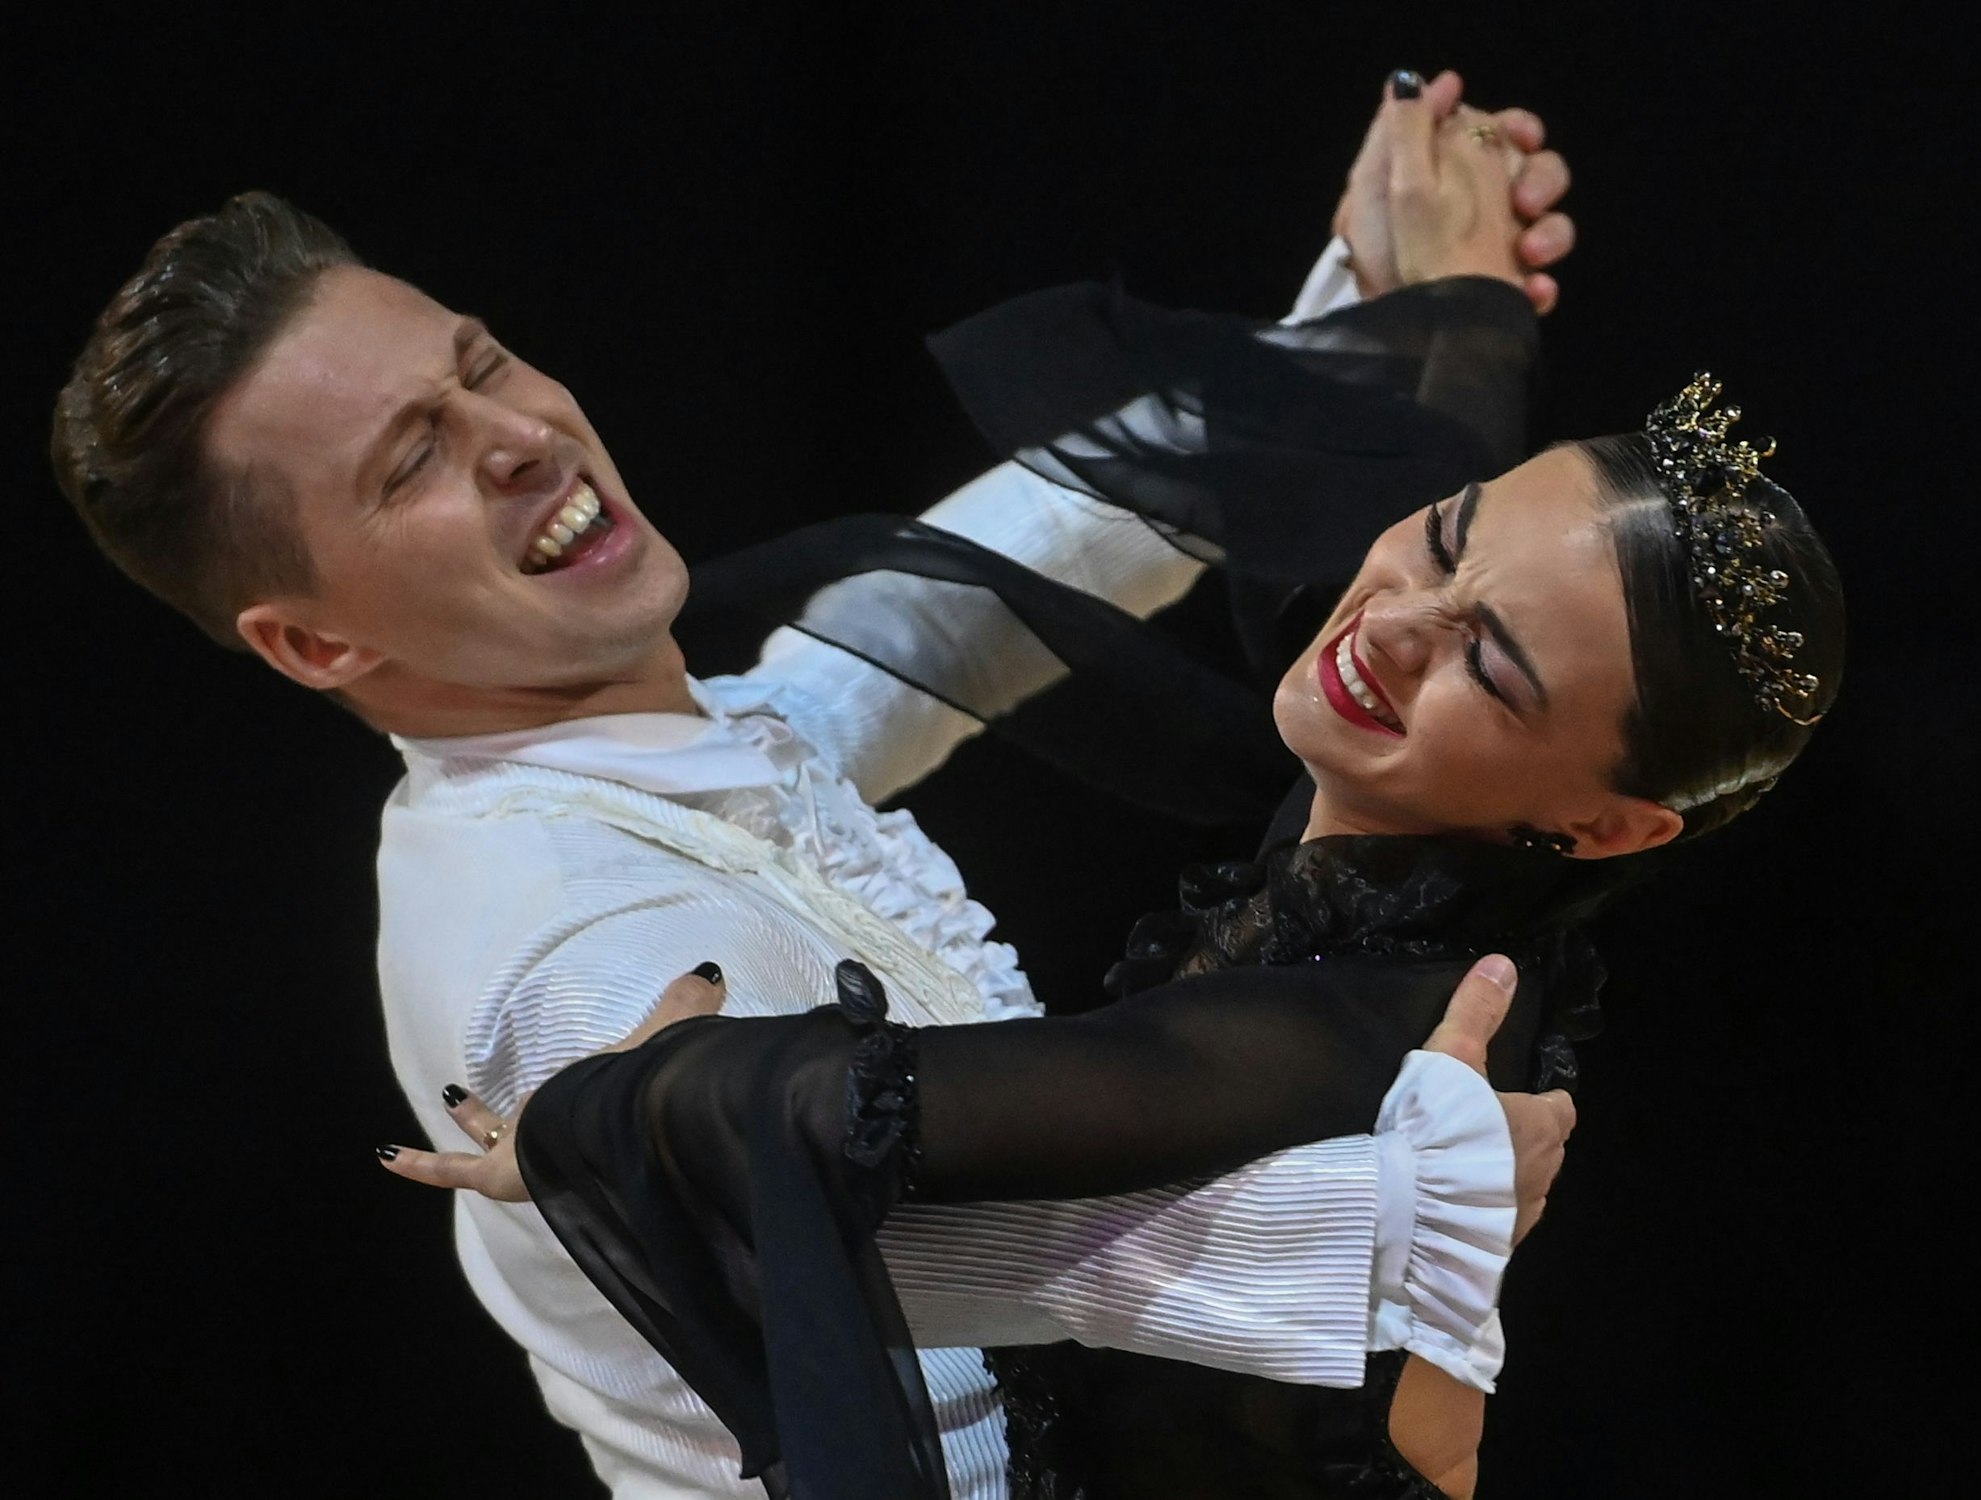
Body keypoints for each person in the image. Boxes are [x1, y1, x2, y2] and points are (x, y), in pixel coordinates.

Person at [52, 71, 1582, 1500]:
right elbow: (878, 1256)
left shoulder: (630, 756)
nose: (519, 437)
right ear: (314, 640)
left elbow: (937, 615)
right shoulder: (563, 946)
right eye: (412, 463)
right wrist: (1383, 1234)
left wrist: (1363, 327)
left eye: (481, 364)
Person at [385, 95, 1845, 1500]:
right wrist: (1434, 305)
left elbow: (864, 1119)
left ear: (1608, 825)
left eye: (1494, 663)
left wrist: (592, 1119)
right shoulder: (1423, 825)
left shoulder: (1361, 1027)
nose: (1394, 622)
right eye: (1446, 544)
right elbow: (1429, 496)